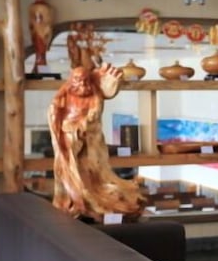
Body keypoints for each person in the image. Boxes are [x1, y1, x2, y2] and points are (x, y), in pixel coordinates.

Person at [48, 64, 145, 221]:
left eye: (85, 80)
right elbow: (55, 109)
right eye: (77, 80)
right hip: (69, 136)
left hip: (90, 138)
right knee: (70, 170)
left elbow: (94, 113)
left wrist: (84, 124)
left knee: (94, 170)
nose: (82, 84)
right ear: (71, 80)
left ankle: (99, 200)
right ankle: (75, 201)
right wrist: (62, 122)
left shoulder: (94, 95)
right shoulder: (65, 93)